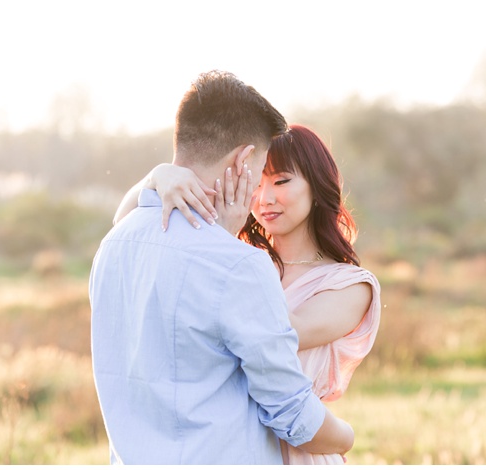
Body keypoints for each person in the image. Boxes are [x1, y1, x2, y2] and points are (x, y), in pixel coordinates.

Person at [90, 71, 355, 465]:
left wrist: (155, 178)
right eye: (261, 169)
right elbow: (292, 413)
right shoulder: (238, 266)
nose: (261, 195)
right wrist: (347, 438)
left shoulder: (113, 246)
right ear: (243, 159)